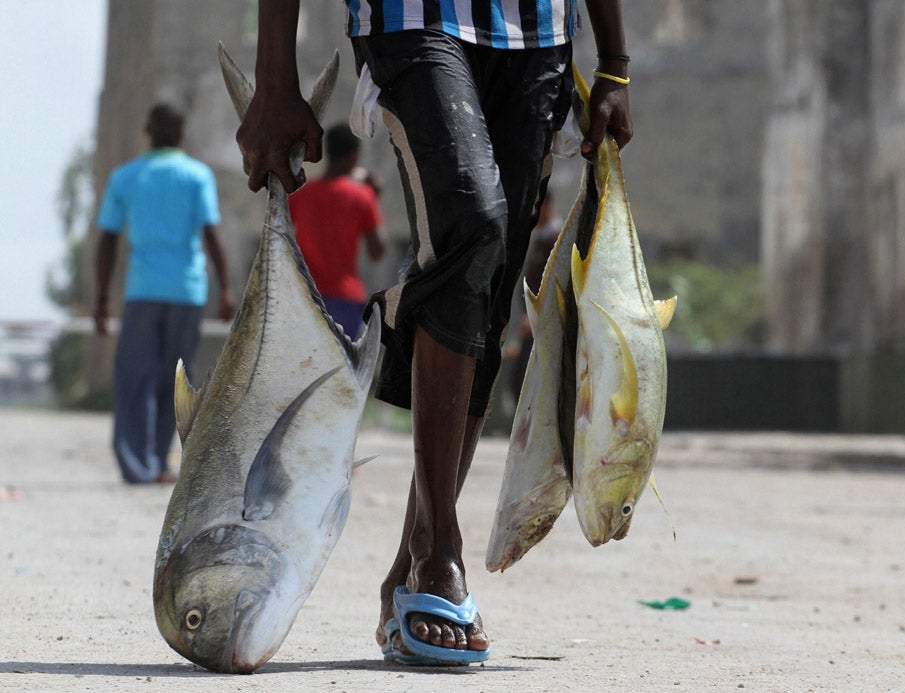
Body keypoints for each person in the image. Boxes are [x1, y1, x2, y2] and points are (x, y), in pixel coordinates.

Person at [235, 0, 632, 665]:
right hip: (412, 17)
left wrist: (615, 65)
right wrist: (275, 78)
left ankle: (406, 572)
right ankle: (440, 553)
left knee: (489, 282)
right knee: (471, 225)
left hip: (539, 31)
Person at [94, 103, 235, 485]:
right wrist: (225, 288)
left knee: (134, 379)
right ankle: (158, 463)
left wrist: (102, 298)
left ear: (148, 130)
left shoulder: (126, 177)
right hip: (188, 291)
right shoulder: (196, 175)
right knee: (174, 380)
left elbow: (107, 237)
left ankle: (136, 465)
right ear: (181, 131)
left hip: (143, 290)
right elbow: (211, 234)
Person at [289, 123, 386, 337]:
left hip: (305, 293)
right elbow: (377, 252)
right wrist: (374, 198)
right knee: (344, 365)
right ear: (353, 157)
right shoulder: (362, 196)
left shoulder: (301, 195)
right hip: (345, 297)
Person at [505, 191, 562, 407]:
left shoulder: (555, 237)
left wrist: (536, 313)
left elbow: (552, 281)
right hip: (530, 319)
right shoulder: (539, 236)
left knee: (528, 379)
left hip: (542, 320)